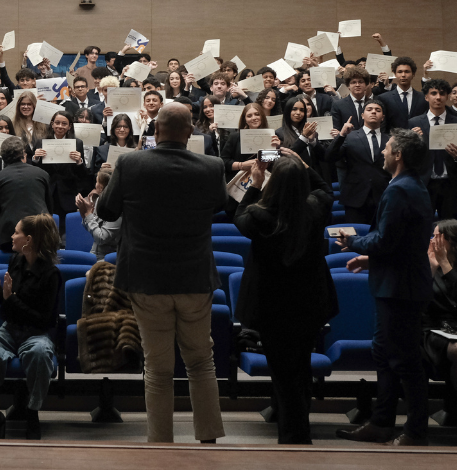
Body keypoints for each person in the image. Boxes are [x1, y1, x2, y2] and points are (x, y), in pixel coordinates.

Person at [96, 103, 226, 444]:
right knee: (201, 361)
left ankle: (160, 442)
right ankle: (209, 437)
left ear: (155, 131)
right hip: (194, 277)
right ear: (190, 133)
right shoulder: (212, 166)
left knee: (157, 366)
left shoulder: (130, 163)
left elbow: (107, 210)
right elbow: (221, 204)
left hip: (146, 277)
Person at [336, 128, 434, 446]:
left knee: (405, 360)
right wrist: (371, 261)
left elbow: (385, 239)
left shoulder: (400, 190)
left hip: (399, 288)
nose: (382, 152)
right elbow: (399, 242)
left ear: (398, 155)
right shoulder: (410, 185)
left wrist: (352, 242)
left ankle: (416, 430)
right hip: (396, 281)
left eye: (387, 148)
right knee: (384, 353)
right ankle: (381, 423)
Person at [233, 154, 338, 444]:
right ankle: (297, 429)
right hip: (309, 303)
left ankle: (295, 438)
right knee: (300, 368)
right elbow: (326, 191)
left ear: (273, 183)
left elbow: (238, 216)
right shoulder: (314, 210)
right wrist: (305, 165)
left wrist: (255, 184)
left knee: (284, 374)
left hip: (272, 307)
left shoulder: (259, 215)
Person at [0, 214, 61, 440]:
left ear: (29, 240)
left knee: (40, 353)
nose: (12, 236)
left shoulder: (51, 274)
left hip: (36, 333)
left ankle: (32, 412)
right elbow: (9, 308)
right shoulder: (15, 262)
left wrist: (10, 298)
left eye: (16, 232)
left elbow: (44, 320)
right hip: (9, 330)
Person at [326, 101, 390, 225]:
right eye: (369, 109)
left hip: (383, 196)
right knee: (355, 238)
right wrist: (341, 135)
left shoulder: (390, 139)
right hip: (355, 198)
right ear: (362, 115)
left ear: (382, 117)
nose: (373, 112)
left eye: (377, 110)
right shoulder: (349, 137)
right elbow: (329, 157)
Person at [0, 137, 53, 251]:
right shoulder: (42, 174)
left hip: (9, 237)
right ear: (23, 154)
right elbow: (49, 207)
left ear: (3, 157)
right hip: (40, 233)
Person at [408, 79, 457, 220]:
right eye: (434, 93)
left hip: (451, 183)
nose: (438, 97)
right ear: (426, 97)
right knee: (421, 226)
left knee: (449, 229)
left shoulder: (456, 122)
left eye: (442, 94)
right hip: (424, 182)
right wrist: (413, 142)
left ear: (447, 97)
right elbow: (407, 156)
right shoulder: (414, 122)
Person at [31, 110, 87, 232]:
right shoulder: (40, 142)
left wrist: (79, 162)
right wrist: (35, 158)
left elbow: (82, 174)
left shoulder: (77, 143)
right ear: (52, 124)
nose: (60, 126)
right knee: (47, 229)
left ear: (69, 126)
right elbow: (34, 171)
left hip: (68, 193)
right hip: (47, 192)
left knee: (66, 230)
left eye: (64, 123)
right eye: (57, 123)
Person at [423, 220, 457, 404]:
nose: (432, 241)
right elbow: (420, 303)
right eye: (432, 236)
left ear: (451, 241)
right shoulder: (426, 263)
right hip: (432, 329)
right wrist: (432, 267)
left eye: (437, 237)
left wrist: (445, 264)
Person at [221, 103, 281, 182]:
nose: (254, 118)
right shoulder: (234, 137)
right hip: (238, 182)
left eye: (257, 114)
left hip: (263, 182)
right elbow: (223, 162)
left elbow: (275, 165)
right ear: (245, 119)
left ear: (262, 116)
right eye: (249, 116)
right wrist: (241, 165)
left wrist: (276, 149)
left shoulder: (272, 137)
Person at [75, 169, 121, 261]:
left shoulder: (118, 211)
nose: (95, 185)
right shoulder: (100, 201)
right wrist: (84, 213)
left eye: (97, 182)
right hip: (94, 254)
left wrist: (88, 215)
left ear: (102, 187)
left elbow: (101, 238)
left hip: (108, 260)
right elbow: (92, 228)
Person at [378, 57, 427, 129]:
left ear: (413, 74)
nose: (403, 75)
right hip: (393, 138)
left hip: (417, 138)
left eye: (407, 72)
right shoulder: (384, 98)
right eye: (400, 72)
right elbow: (382, 125)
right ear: (395, 74)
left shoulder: (423, 98)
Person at [332, 66, 372, 131]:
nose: (357, 85)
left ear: (366, 85)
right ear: (348, 86)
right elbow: (336, 129)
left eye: (360, 82)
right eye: (353, 82)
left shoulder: (373, 103)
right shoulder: (338, 105)